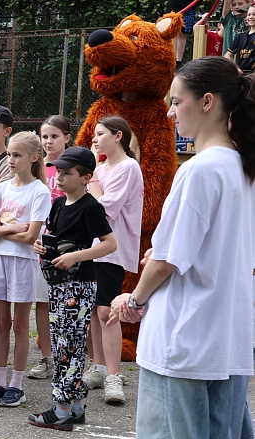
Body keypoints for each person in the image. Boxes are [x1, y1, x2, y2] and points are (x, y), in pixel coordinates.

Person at [104, 57, 255, 439]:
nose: (169, 111)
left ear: (207, 102)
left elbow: (168, 257)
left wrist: (134, 299)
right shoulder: (242, 164)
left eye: (175, 100)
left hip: (186, 331)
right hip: (229, 329)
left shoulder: (202, 168)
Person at [28, 146, 118, 431]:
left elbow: (109, 243)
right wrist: (40, 245)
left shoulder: (91, 206)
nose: (61, 177)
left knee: (68, 347)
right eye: (59, 172)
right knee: (65, 344)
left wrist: (75, 256)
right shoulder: (58, 204)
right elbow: (54, 236)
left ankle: (63, 408)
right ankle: (75, 406)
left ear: (85, 177)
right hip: (58, 282)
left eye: (68, 173)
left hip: (78, 285)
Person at [0, 131, 53, 409]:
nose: (11, 159)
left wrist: (0, 229)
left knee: (20, 325)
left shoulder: (39, 191)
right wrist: (11, 228)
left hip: (23, 262)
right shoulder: (0, 188)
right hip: (0, 259)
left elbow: (31, 237)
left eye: (17, 155)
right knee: (0, 323)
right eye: (9, 154)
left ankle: (16, 385)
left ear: (34, 158)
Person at [86, 115, 145, 406]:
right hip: (94, 248)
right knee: (96, 310)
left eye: (100, 134)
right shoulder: (101, 167)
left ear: (118, 135)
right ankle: (98, 368)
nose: (94, 139)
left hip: (113, 250)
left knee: (107, 311)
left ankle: (113, 376)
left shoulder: (128, 167)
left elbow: (105, 208)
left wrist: (93, 181)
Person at [28, 114, 73, 381]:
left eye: (54, 136)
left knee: (70, 304)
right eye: (45, 136)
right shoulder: (37, 169)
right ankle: (48, 357)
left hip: (68, 245)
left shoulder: (73, 167)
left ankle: (76, 356)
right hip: (41, 244)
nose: (48, 141)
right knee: (42, 302)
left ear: (67, 137)